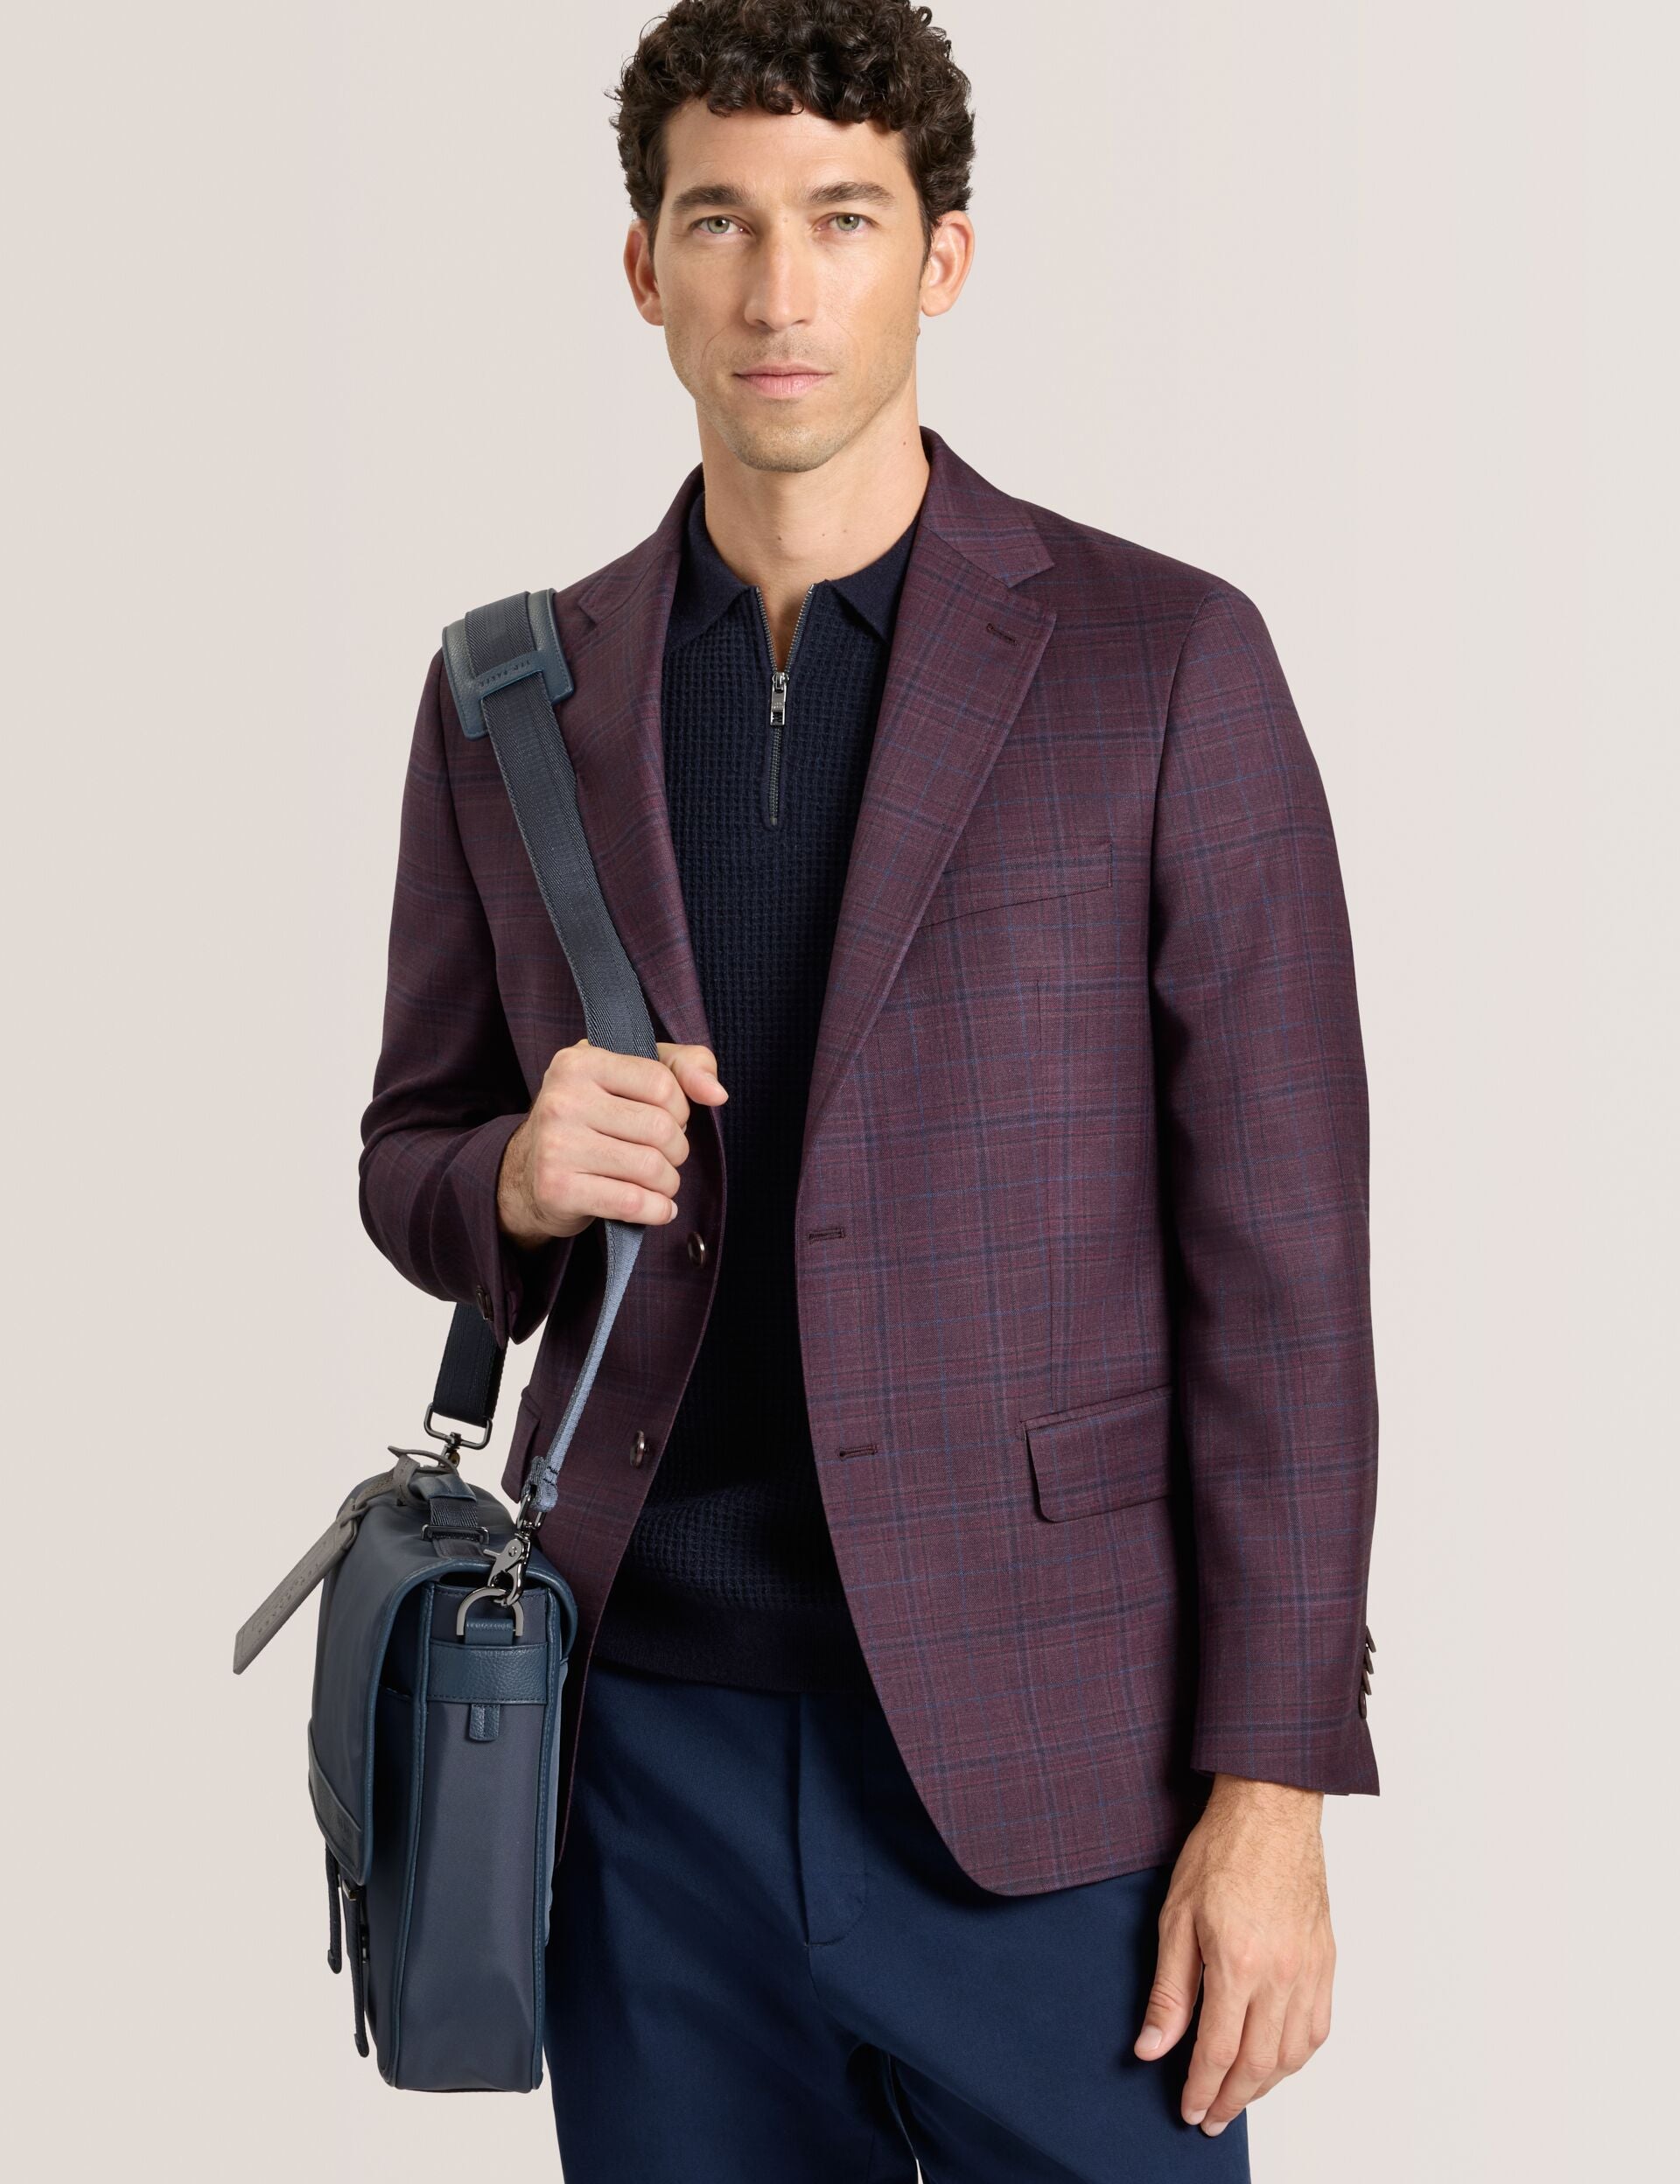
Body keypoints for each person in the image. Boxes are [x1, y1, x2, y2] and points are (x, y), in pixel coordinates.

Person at [357, 4, 1380, 2175]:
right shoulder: (511, 699)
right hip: (645, 1769)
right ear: (644, 269)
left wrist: (1274, 1795)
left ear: (945, 257)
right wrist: (515, 1177)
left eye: (841, 218)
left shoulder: (1164, 664)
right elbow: (407, 1150)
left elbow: (1286, 1283)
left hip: (1066, 1786)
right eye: (720, 222)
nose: (779, 289)